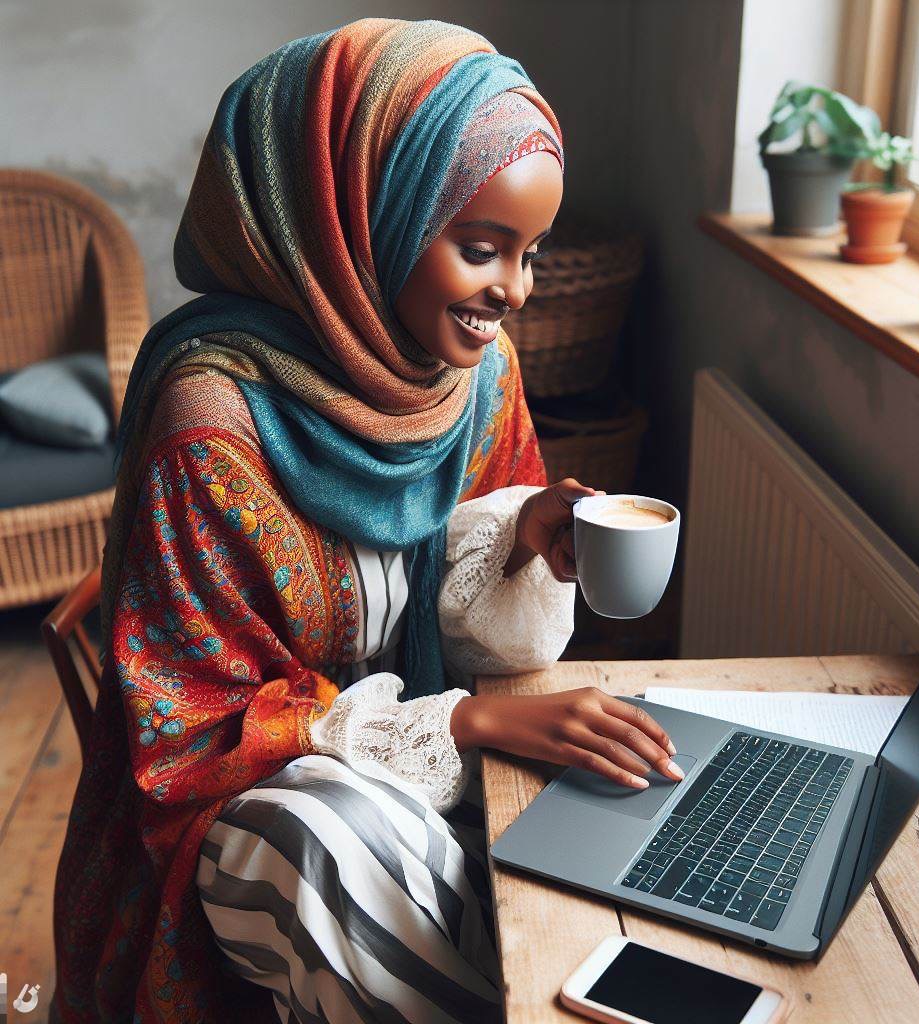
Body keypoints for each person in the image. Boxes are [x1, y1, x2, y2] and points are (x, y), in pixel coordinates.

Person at [50, 19, 678, 1024]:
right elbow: (194, 730)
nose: (512, 291)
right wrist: (461, 723)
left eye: (530, 253)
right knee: (334, 841)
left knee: (607, 800)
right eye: (481, 248)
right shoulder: (210, 425)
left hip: (412, 737)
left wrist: (524, 535)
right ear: (357, 212)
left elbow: (449, 609)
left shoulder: (474, 376)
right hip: (243, 803)